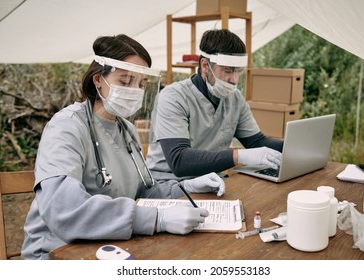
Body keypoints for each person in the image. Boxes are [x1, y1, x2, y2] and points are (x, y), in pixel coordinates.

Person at [21, 34, 225, 260]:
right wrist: (158, 219)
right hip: (57, 252)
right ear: (98, 79)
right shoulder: (66, 127)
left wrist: (187, 187)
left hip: (110, 245)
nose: (134, 91)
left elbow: (143, 192)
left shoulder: (127, 129)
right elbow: (65, 211)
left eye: (140, 84)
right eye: (125, 81)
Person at [146, 29, 283, 183]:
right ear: (205, 65)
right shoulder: (173, 97)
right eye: (229, 71)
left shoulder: (234, 98)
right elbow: (179, 161)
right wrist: (240, 156)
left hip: (212, 180)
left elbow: (257, 142)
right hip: (170, 184)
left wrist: (294, 146)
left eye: (238, 72)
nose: (235, 80)